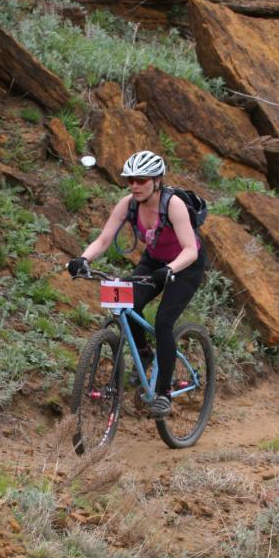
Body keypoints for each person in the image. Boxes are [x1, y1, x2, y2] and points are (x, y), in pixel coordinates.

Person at [68, 150, 206, 418]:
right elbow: (104, 239)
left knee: (164, 322)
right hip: (155, 261)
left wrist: (170, 269)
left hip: (186, 265)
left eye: (141, 180)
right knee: (126, 302)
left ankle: (164, 393)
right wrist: (82, 259)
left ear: (157, 180)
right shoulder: (128, 204)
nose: (134, 185)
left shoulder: (173, 204)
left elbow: (190, 249)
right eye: (130, 180)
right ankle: (144, 354)